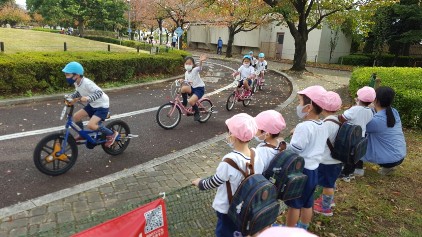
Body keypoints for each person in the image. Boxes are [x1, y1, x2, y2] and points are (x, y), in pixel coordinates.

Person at [192, 113, 258, 237]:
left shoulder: (229, 160)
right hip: (247, 205)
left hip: (229, 209)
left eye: (229, 133)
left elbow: (215, 181)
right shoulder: (255, 154)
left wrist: (200, 183)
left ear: (233, 136)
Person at [285, 85, 329, 230]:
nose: (298, 105)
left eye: (299, 102)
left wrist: (283, 145)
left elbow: (296, 149)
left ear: (308, 107)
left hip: (301, 171)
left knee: (294, 205)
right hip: (314, 169)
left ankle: (289, 232)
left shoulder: (303, 127)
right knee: (307, 202)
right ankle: (303, 227)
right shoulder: (323, 124)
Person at [63, 62, 118, 148]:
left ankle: (112, 134)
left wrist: (88, 98)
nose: (66, 77)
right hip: (93, 104)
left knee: (91, 125)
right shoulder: (76, 82)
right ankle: (82, 134)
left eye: (68, 75)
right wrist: (71, 97)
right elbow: (79, 92)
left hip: (102, 105)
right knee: (76, 117)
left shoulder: (87, 83)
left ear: (76, 75)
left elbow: (99, 92)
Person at [362, 86, 406, 176]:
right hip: (399, 156)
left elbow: (358, 127)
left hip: (389, 159)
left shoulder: (377, 121)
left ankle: (355, 168)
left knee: (355, 136)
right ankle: (388, 169)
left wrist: (361, 107)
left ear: (376, 99)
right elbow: (377, 116)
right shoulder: (394, 112)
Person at [313, 91, 343, 217]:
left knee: (327, 184)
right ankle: (329, 201)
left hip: (327, 160)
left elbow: (318, 142)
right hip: (337, 160)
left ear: (322, 106)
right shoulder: (338, 120)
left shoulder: (326, 124)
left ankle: (325, 208)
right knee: (331, 182)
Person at [339, 86, 376, 181]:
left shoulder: (355, 109)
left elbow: (342, 118)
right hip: (361, 135)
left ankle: (345, 174)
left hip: (350, 135)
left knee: (348, 154)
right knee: (355, 155)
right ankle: (351, 172)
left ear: (359, 98)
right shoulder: (370, 111)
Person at [254, 110, 287, 174]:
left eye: (256, 128)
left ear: (267, 134)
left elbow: (256, 173)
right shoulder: (281, 144)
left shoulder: (261, 151)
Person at [180, 54, 207, 121]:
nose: (188, 65)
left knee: (191, 101)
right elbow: (187, 82)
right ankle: (184, 102)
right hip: (192, 88)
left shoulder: (195, 70)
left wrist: (201, 61)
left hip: (199, 89)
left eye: (190, 63)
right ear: (184, 64)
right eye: (186, 63)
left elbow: (200, 68)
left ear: (193, 64)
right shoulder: (186, 73)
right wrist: (182, 81)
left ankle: (197, 113)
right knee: (183, 89)